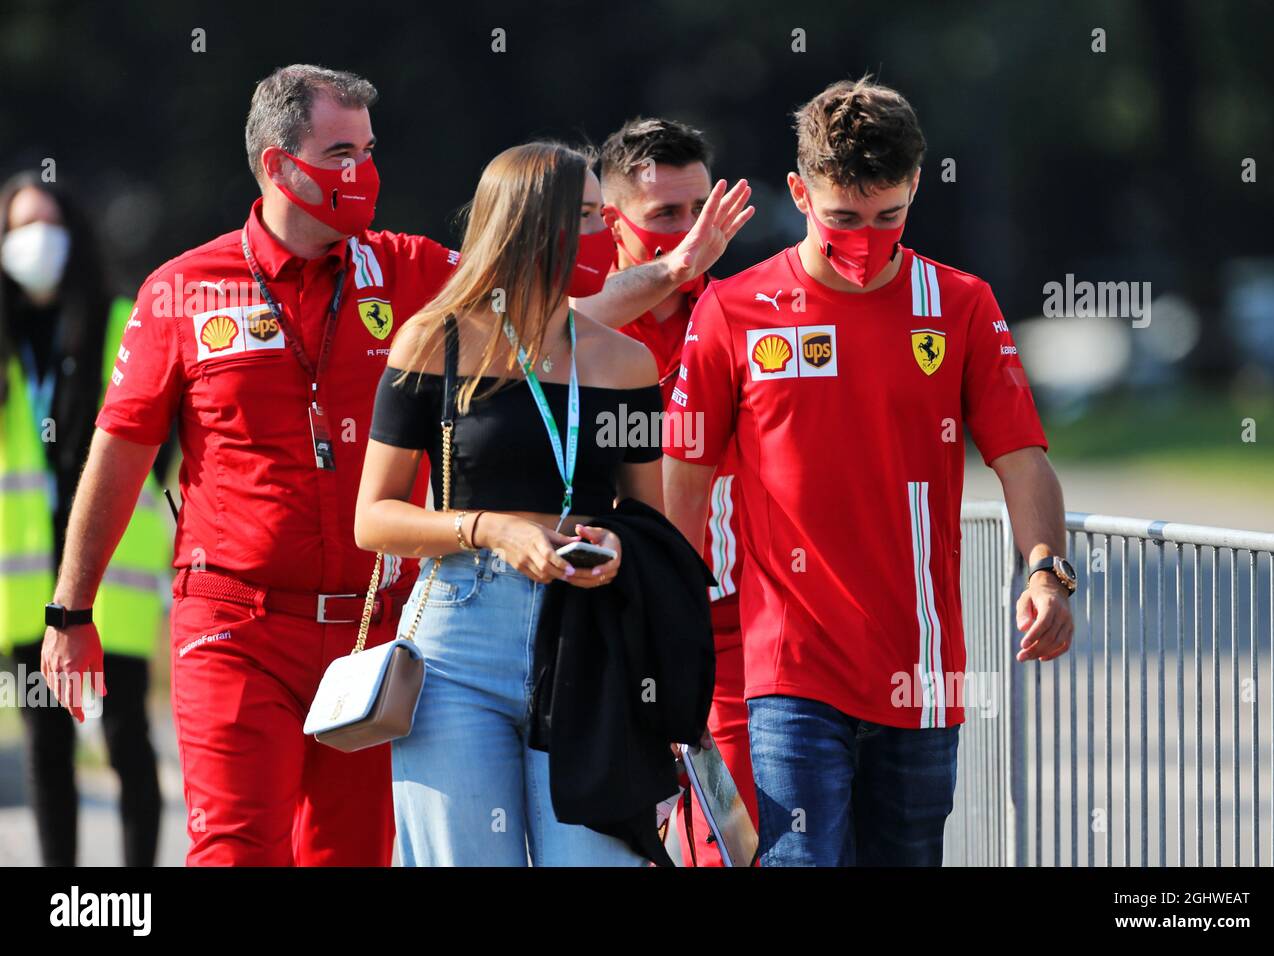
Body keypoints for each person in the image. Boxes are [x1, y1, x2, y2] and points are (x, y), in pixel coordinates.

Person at [40, 64, 459, 866]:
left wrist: (662, 271)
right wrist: (71, 610)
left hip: (373, 632)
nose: (362, 172)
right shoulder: (181, 291)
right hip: (236, 626)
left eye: (368, 151)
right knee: (238, 853)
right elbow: (120, 453)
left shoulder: (406, 269)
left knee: (348, 859)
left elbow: (536, 303)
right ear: (277, 163)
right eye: (340, 151)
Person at [663, 76, 1076, 867]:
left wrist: (1047, 573)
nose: (864, 239)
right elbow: (683, 482)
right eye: (842, 217)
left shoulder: (960, 305)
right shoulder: (733, 309)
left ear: (917, 184)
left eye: (888, 216)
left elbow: (1023, 461)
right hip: (789, 672)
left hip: (923, 672)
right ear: (798, 191)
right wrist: (670, 623)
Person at [356, 141, 667, 866]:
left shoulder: (626, 362)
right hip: (456, 648)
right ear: (532, 225)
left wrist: (619, 546)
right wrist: (487, 528)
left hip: (586, 640)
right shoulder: (433, 343)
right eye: (588, 216)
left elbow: (649, 523)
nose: (607, 234)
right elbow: (373, 519)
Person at [581, 117, 758, 865]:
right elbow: (520, 349)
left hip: (734, 616)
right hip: (605, 621)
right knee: (621, 842)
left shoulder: (750, 311)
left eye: (698, 210)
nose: (691, 233)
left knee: (742, 836)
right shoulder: (574, 312)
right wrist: (672, 271)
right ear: (613, 222)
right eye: (665, 216)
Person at [0, 172, 172, 866]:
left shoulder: (122, 322)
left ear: (75, 236)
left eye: (47, 223)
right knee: (46, 748)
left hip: (113, 584)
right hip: (22, 588)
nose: (32, 241)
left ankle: (130, 900)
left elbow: (168, 450)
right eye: (17, 227)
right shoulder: (7, 338)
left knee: (127, 742)